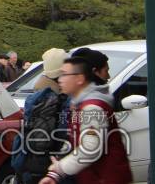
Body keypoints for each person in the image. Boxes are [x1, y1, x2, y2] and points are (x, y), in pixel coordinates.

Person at [37, 55, 132, 184]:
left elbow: (90, 149)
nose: (60, 79)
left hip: (106, 178)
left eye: (65, 74)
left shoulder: (92, 108)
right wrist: (55, 172)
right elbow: (74, 140)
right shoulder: (79, 105)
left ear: (80, 79)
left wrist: (60, 168)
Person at [12, 48, 70, 184]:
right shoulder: (52, 100)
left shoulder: (39, 96)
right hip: (43, 168)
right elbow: (45, 141)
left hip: (30, 163)